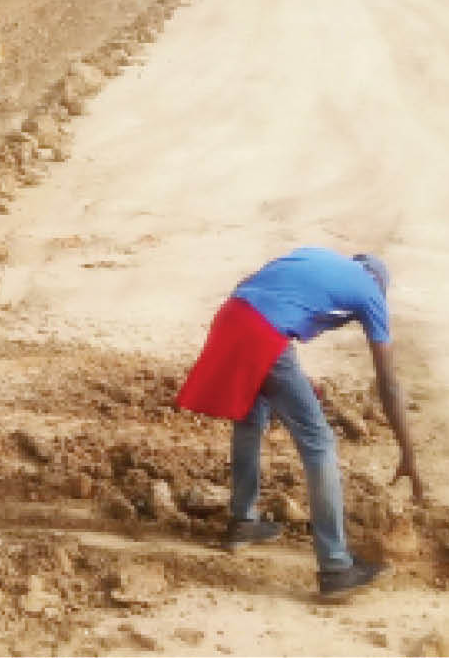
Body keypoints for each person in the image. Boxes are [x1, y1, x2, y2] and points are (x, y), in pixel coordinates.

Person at [174, 247, 422, 601]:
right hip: (263, 334)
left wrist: (289, 375)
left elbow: (252, 290)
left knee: (250, 419)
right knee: (319, 442)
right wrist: (408, 452)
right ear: (379, 283)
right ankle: (336, 566)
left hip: (232, 317)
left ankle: (243, 521)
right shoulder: (370, 291)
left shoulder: (312, 256)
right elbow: (389, 382)